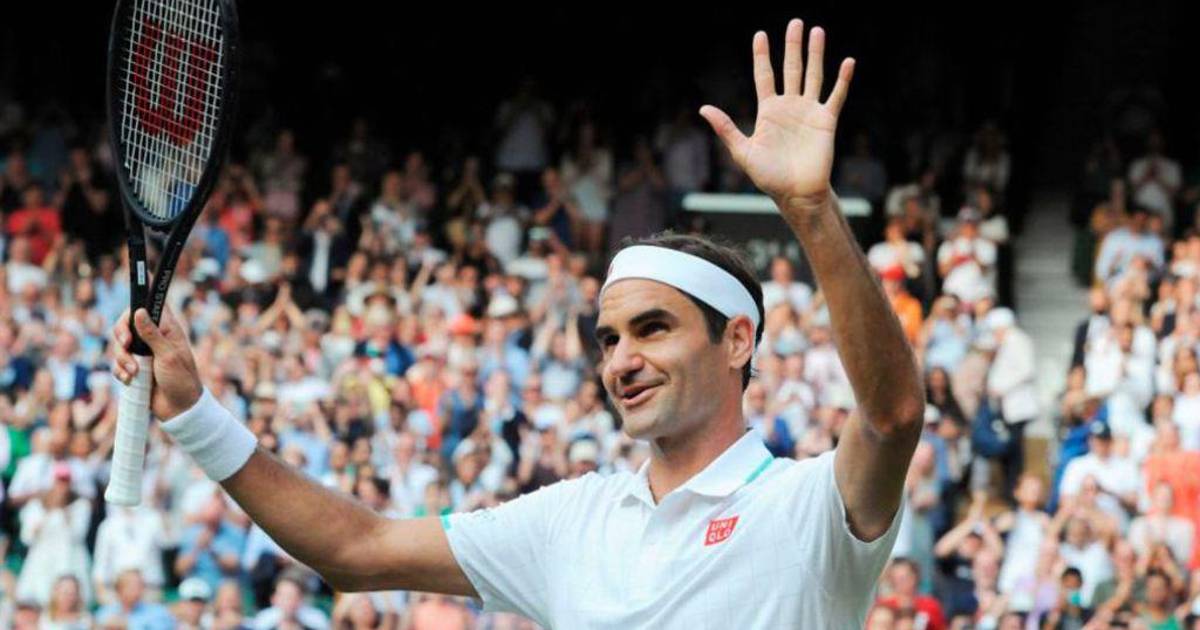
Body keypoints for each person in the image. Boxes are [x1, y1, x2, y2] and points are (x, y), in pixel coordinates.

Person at [110, 20, 923, 628]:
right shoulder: (573, 520)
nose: (622, 360)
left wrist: (810, 211)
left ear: (737, 340)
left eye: (654, 329)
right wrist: (194, 413)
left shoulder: (806, 507)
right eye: (609, 339)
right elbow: (357, 551)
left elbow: (891, 416)